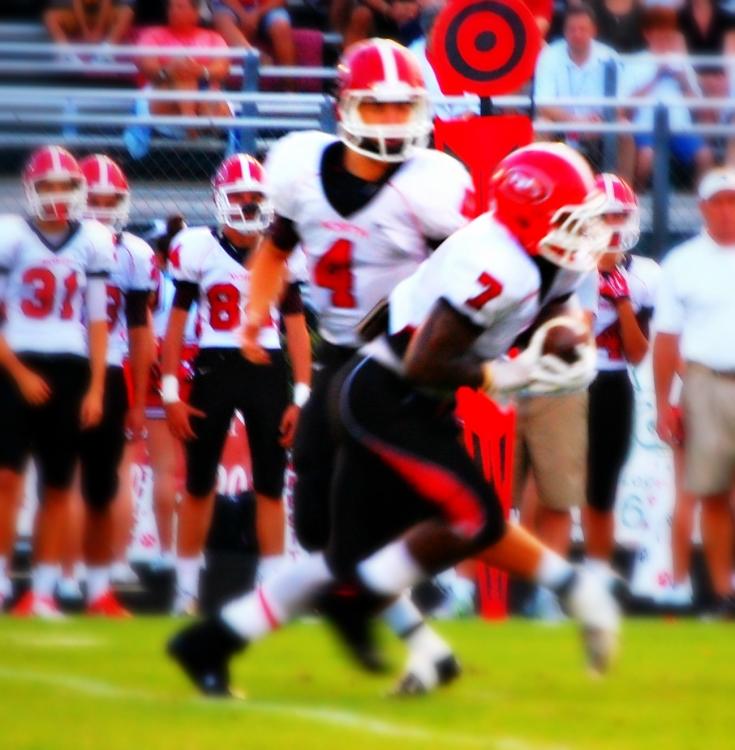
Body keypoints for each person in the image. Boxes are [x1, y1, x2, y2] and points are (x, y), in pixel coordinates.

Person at [168, 143, 622, 698]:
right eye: (568, 219)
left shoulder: (549, 257)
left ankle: (209, 644)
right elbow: (426, 358)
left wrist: (563, 341)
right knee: (470, 515)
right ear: (530, 216)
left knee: (346, 559)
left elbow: (554, 306)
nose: (583, 232)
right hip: (385, 390)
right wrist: (506, 376)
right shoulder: (496, 260)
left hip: (411, 397)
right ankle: (359, 607)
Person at [184, 38, 473, 692]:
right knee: (317, 529)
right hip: (341, 359)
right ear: (344, 107)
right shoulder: (300, 167)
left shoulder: (432, 185)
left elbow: (465, 283)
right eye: (379, 108)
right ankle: (423, 647)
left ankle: (218, 644)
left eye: (405, 109)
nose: (394, 123)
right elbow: (275, 249)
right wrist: (255, 312)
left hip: (401, 371)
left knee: (368, 526)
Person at [162, 154, 311, 616]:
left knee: (270, 483)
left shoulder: (282, 253)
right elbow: (176, 322)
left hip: (267, 367)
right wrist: (170, 392)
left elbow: (297, 328)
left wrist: (300, 396)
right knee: (200, 483)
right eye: (238, 197)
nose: (247, 206)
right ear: (219, 201)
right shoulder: (198, 248)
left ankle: (271, 589)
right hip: (213, 365)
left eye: (255, 198)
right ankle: (186, 589)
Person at [0, 146, 114, 617]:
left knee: (59, 485)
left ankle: (43, 592)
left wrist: (97, 388)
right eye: (47, 186)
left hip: (71, 368)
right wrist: (20, 373)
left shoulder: (92, 239)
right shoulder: (10, 236)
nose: (56, 195)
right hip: (14, 363)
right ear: (30, 190)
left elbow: (98, 320)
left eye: (65, 185)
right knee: (6, 478)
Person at [76, 154, 156, 616]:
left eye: (111, 201)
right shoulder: (52, 246)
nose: (103, 210)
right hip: (59, 365)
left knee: (106, 481)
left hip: (110, 372)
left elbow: (140, 330)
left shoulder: (135, 254)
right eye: (94, 201)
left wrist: (139, 398)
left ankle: (97, 582)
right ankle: (55, 581)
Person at [653, 166, 735, 614]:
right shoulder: (682, 263)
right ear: (703, 208)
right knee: (713, 492)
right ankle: (722, 592)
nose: (726, 211)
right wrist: (664, 402)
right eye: (718, 202)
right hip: (704, 381)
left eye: (733, 201)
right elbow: (666, 339)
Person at [583, 173, 660, 579]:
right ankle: (542, 579)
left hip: (613, 383)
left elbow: (636, 352)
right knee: (553, 486)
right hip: (569, 381)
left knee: (603, 487)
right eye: (604, 216)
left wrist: (621, 298)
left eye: (620, 216)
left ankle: (596, 573)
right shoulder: (567, 267)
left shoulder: (644, 272)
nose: (613, 226)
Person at [146, 215, 197, 575]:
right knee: (197, 471)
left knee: (165, 470)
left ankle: (168, 550)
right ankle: (191, 552)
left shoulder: (158, 286)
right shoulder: (203, 280)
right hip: (199, 367)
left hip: (163, 367)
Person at [534, 4, 635, 181]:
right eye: (572, 29)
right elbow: (543, 104)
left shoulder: (609, 56)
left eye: (583, 29)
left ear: (593, 31)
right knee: (541, 125)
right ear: (564, 31)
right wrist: (576, 122)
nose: (577, 34)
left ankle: (624, 191)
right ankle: (542, 186)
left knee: (625, 128)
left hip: (600, 126)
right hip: (562, 125)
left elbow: (621, 104)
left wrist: (598, 122)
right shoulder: (550, 55)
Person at [620, 6, 714, 189]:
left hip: (680, 127)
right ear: (647, 34)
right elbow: (625, 107)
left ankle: (700, 204)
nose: (664, 36)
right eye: (659, 32)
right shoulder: (635, 62)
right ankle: (636, 198)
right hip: (646, 127)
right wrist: (655, 78)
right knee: (646, 158)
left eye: (668, 32)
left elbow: (698, 105)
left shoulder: (681, 61)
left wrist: (683, 80)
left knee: (705, 156)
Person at [126, 0, 231, 158]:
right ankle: (190, 124)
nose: (173, 11)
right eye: (170, 7)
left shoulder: (213, 37)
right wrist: (170, 71)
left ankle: (193, 124)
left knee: (210, 97)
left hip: (204, 93)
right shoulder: (152, 34)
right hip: (162, 92)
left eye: (180, 7)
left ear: (195, 12)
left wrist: (200, 71)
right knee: (182, 71)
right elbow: (147, 67)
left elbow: (222, 68)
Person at [210, 0, 297, 69]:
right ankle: (254, 56)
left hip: (268, 8)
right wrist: (243, 15)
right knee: (221, 19)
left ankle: (289, 87)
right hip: (232, 8)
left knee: (281, 27)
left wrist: (257, 14)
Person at [44, 0, 136, 49]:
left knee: (127, 13)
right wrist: (85, 30)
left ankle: (107, 50)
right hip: (77, 15)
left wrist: (98, 30)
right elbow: (77, 2)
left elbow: (106, 2)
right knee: (50, 16)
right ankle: (66, 53)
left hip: (102, 15)